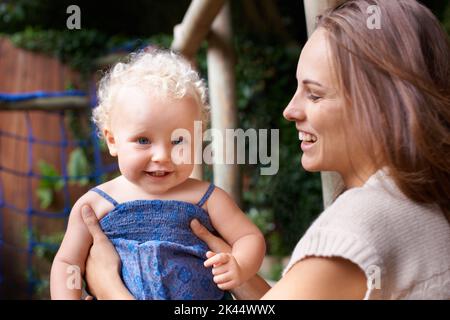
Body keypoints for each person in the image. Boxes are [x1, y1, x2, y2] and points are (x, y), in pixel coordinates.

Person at [80, 0, 450, 300]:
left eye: (315, 93)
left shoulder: (360, 225)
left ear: (381, 105)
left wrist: (110, 287)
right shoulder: (417, 203)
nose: (290, 110)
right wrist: (237, 273)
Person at [50, 49, 266, 300]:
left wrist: (239, 265)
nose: (162, 155)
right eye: (143, 140)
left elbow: (249, 237)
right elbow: (67, 263)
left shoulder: (207, 197)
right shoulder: (94, 205)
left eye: (178, 140)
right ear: (112, 140)